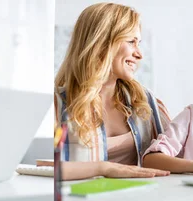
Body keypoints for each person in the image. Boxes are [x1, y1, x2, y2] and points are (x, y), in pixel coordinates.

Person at [54, 2, 172, 180]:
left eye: (138, 43)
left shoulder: (144, 100)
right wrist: (103, 168)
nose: (139, 54)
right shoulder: (57, 104)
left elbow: (178, 154)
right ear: (102, 43)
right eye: (131, 42)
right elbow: (42, 167)